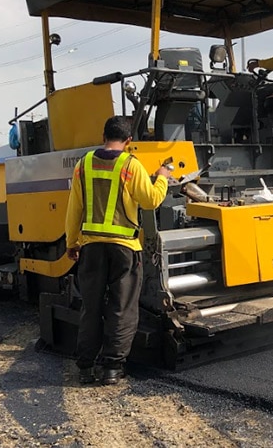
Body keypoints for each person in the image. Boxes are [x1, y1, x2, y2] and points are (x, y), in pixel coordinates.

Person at [64, 116, 171, 385]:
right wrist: (162, 178)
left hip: (90, 248)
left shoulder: (84, 165)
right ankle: (111, 369)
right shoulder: (130, 165)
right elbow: (151, 200)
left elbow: (74, 208)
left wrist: (71, 243)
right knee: (122, 309)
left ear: (103, 136)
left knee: (91, 307)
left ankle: (86, 367)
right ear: (129, 141)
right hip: (124, 249)